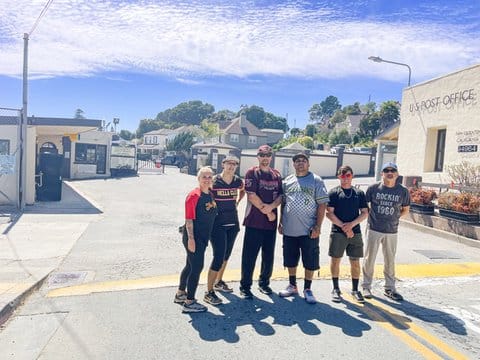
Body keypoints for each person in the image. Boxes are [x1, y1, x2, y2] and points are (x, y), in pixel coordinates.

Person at [278, 152, 329, 304]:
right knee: (290, 259)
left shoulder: (316, 180)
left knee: (310, 259)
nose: (300, 163)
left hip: (309, 229)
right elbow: (283, 203)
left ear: (308, 164)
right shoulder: (287, 181)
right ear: (293, 164)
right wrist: (281, 222)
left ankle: (308, 288)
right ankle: (292, 285)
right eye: (297, 161)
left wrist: (318, 226)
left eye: (303, 161)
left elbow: (322, 204)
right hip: (290, 228)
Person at [362, 162, 410, 301]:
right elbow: (366, 207)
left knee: (390, 260)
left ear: (397, 174)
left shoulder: (403, 191)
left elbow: (405, 210)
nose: (390, 172)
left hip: (392, 230)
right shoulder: (373, 188)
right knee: (369, 259)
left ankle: (390, 288)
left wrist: (394, 217)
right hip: (374, 228)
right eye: (386, 170)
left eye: (393, 170)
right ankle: (366, 286)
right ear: (382, 173)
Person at [239, 145, 283, 299]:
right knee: (249, 256)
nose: (265, 158)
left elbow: (280, 197)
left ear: (271, 157)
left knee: (268, 255)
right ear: (257, 157)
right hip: (254, 222)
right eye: (262, 155)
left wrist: (272, 208)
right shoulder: (252, 173)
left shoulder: (276, 175)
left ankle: (264, 283)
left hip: (270, 224)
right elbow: (251, 196)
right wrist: (269, 212)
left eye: (268, 155)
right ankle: (245, 286)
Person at [175, 167, 218, 313]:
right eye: (204, 177)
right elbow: (189, 220)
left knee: (189, 265)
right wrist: (191, 240)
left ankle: (181, 293)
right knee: (196, 268)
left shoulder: (210, 194)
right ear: (198, 179)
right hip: (194, 238)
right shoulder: (194, 195)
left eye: (209, 177)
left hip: (203, 237)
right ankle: (190, 302)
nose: (207, 179)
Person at [204, 156, 245, 305]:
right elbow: (203, 194)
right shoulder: (214, 181)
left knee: (226, 255)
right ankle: (208, 292)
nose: (231, 166)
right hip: (217, 223)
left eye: (234, 164)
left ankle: (219, 281)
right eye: (229, 164)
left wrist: (238, 201)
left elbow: (243, 190)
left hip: (233, 222)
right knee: (218, 256)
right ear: (223, 164)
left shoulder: (237, 181)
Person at [326, 165, 369, 303]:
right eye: (342, 175)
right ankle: (336, 288)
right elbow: (329, 213)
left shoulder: (359, 193)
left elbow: (364, 213)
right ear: (338, 176)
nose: (345, 178)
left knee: (355, 262)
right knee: (335, 260)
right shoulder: (333, 193)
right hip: (338, 232)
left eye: (348, 175)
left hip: (355, 233)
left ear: (352, 176)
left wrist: (351, 225)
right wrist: (345, 227)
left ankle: (355, 290)